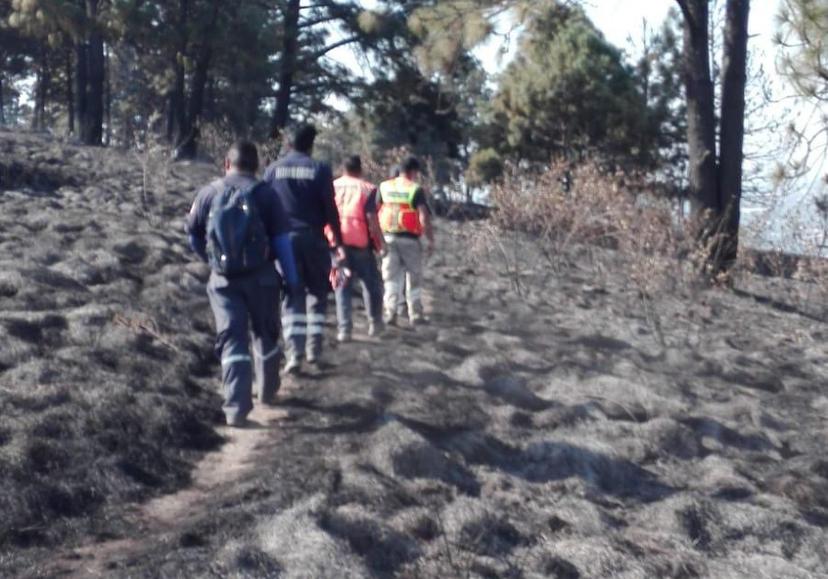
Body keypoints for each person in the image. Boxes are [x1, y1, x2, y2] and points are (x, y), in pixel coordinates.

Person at [186, 141, 299, 427]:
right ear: (256, 165)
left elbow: (194, 236)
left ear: (227, 164)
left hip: (223, 281)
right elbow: (282, 243)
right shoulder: (267, 195)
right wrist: (291, 279)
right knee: (265, 333)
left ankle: (236, 408)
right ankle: (268, 389)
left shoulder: (208, 193)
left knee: (232, 339)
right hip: (262, 278)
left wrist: (213, 261)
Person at [264, 124, 345, 373]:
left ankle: (294, 354)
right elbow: (330, 208)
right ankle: (313, 349)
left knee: (291, 294)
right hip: (314, 239)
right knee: (317, 292)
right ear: (311, 145)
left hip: (283, 242)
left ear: (288, 144)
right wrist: (338, 242)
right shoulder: (319, 169)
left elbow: (265, 207)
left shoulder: (272, 170)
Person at [329, 155, 385, 342]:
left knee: (342, 285)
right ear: (359, 170)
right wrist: (380, 243)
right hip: (360, 243)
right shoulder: (367, 189)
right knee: (370, 284)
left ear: (342, 169)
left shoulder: (332, 186)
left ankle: (344, 329)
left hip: (337, 243)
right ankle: (375, 323)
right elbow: (371, 218)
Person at [378, 156, 435, 326]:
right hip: (410, 240)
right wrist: (430, 240)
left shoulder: (384, 187)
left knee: (390, 278)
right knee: (413, 278)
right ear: (413, 172)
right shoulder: (415, 189)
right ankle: (415, 314)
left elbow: (374, 212)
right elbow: (424, 216)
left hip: (388, 237)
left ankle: (390, 312)